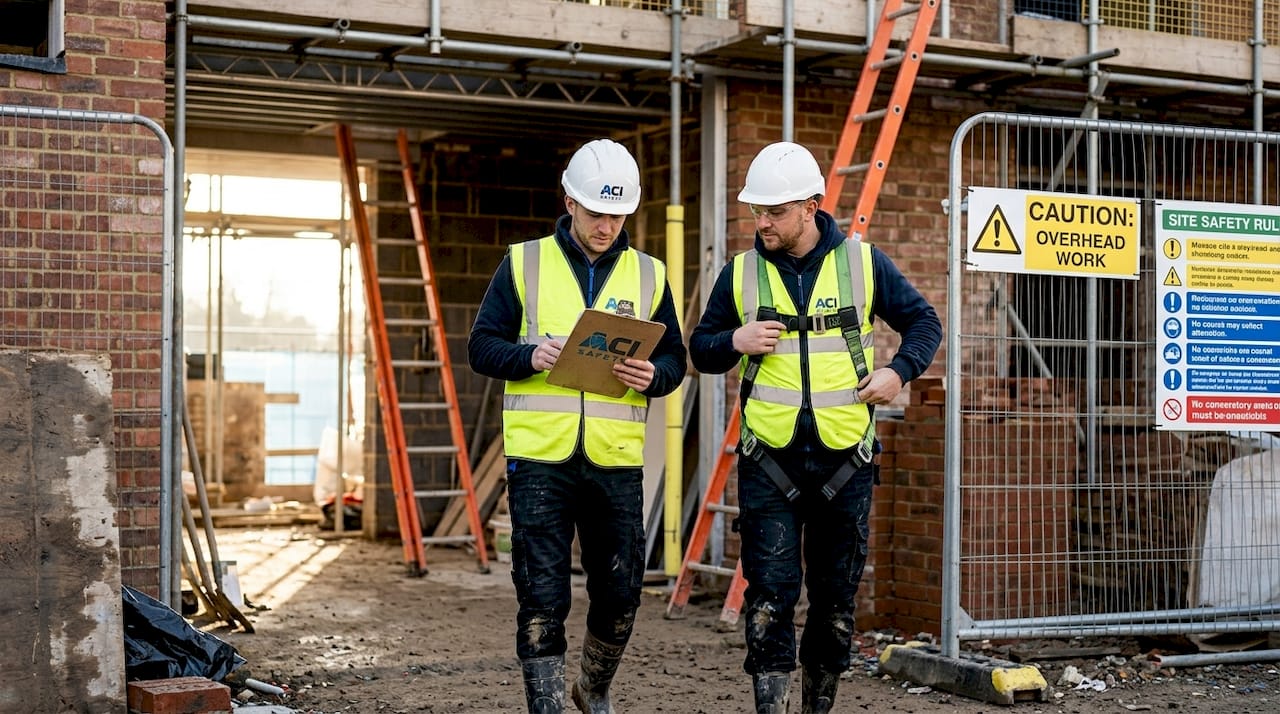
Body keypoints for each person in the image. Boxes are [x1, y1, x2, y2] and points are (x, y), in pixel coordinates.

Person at [688, 141, 942, 714]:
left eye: (775, 211)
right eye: (757, 210)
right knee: (770, 599)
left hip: (845, 462)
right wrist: (734, 340)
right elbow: (700, 351)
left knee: (833, 603)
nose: (763, 222)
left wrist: (898, 372)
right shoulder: (741, 274)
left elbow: (924, 321)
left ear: (810, 205)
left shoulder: (861, 263)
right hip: (768, 463)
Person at [468, 138, 687, 713]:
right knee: (541, 593)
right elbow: (480, 348)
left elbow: (675, 362)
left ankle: (594, 688)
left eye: (617, 215)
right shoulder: (523, 263)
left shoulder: (649, 274)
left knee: (620, 590)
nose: (607, 225)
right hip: (540, 458)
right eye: (596, 213)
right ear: (569, 202)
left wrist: (652, 374)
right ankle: (546, 707)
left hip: (615, 458)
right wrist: (528, 355)